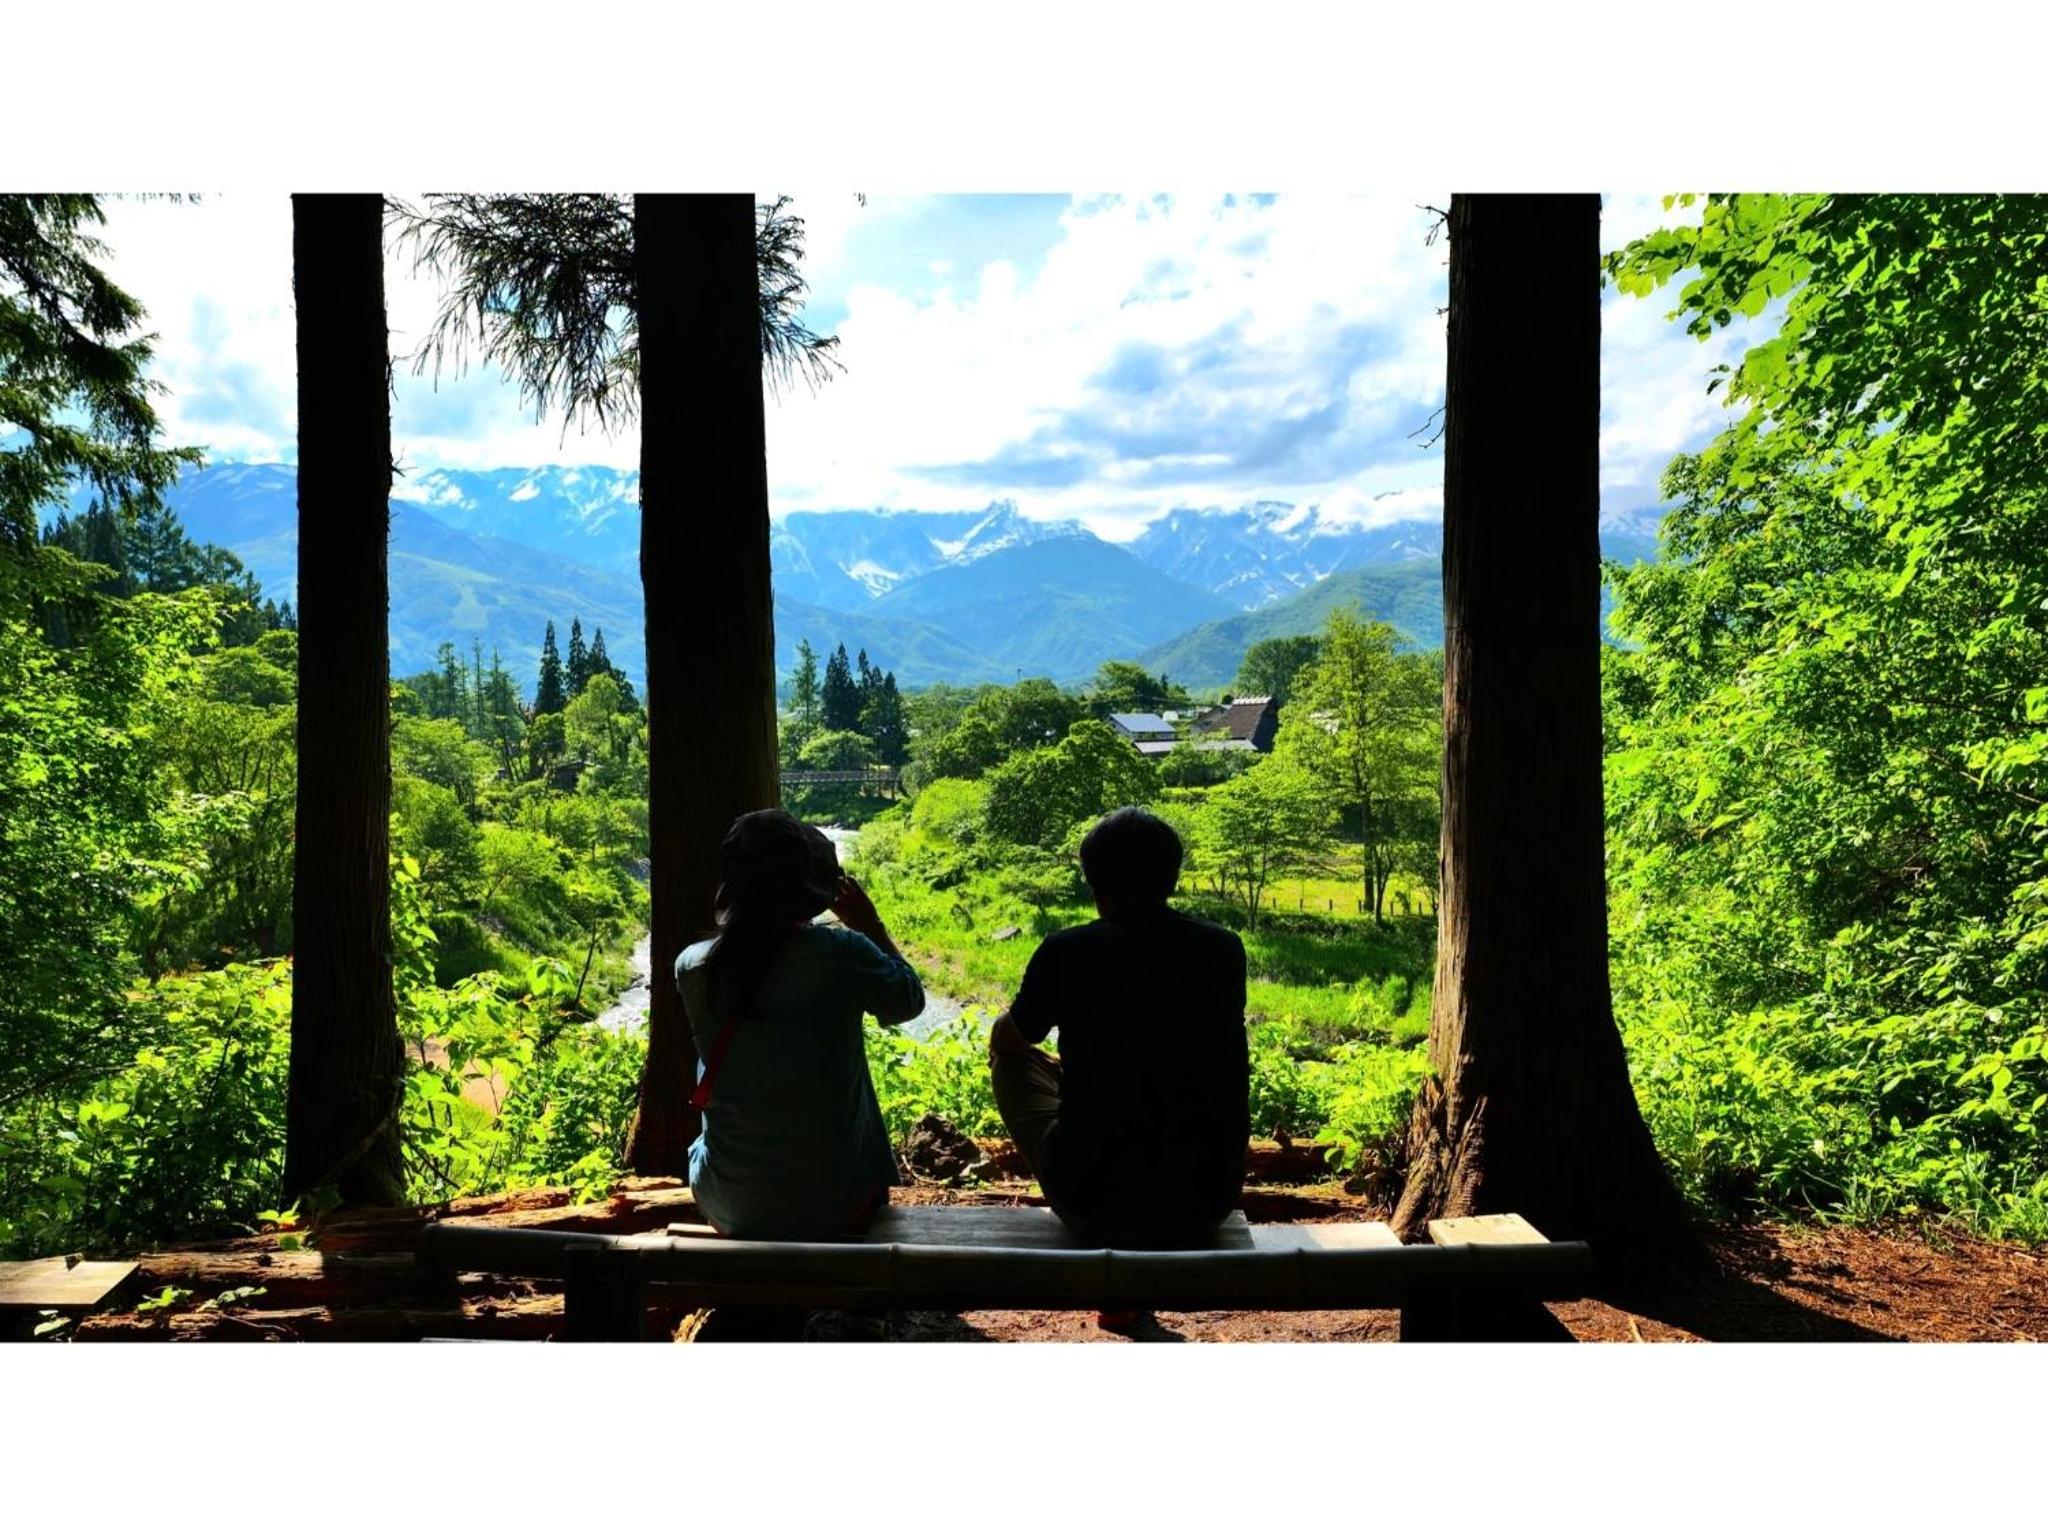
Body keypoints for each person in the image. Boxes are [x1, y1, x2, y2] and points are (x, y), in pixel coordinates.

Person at [987, 806, 1249, 1255]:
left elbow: (1009, 1039)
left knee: (1010, 1062)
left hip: (1094, 1203)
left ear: (1094, 883)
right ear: (1172, 878)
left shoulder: (1067, 950)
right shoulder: (1223, 949)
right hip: (1207, 1201)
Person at [675, 808, 924, 1241]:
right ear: (808, 887)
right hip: (838, 1206)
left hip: (730, 1206)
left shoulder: (691, 966)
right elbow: (908, 1002)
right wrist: (870, 925)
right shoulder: (844, 952)